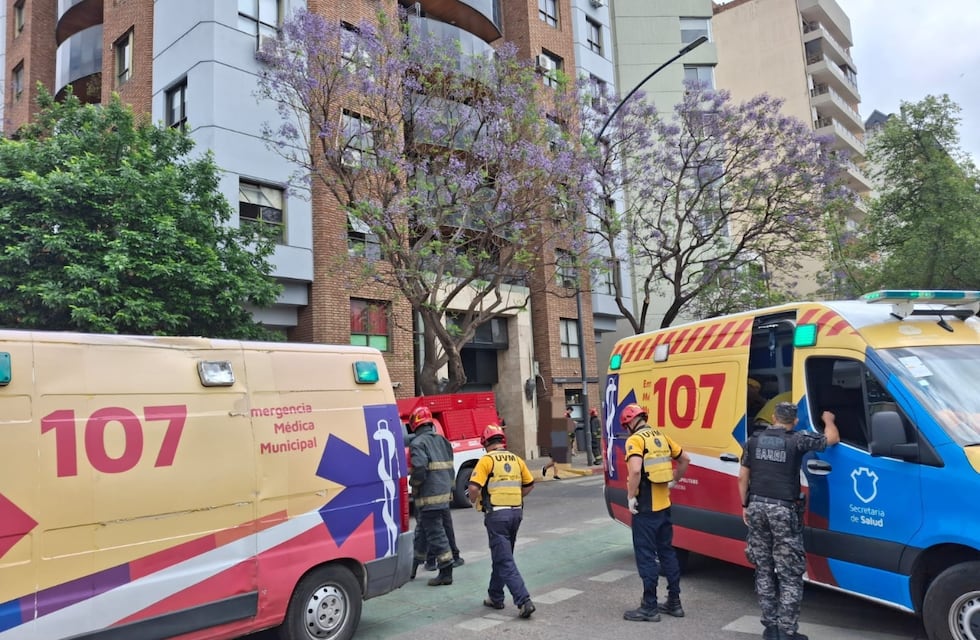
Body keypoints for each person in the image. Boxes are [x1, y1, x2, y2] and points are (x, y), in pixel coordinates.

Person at [739, 403, 841, 640]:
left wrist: (745, 505)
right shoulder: (797, 439)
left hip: (756, 506)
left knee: (763, 569)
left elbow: (743, 476)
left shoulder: (753, 440)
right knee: (789, 574)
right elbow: (832, 438)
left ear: (773, 417)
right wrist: (828, 419)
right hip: (783, 510)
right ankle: (787, 631)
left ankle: (770, 628)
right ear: (794, 421)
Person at [621, 403, 690, 622]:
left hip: (645, 507)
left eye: (626, 426)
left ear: (630, 422)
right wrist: (675, 480)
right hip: (664, 505)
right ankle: (674, 602)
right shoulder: (661, 436)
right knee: (667, 553)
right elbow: (685, 459)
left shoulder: (636, 440)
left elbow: (635, 470)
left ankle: (649, 607)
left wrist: (631, 496)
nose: (626, 430)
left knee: (646, 556)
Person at [467, 424, 537, 619]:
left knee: (504, 559)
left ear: (486, 443)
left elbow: (473, 488)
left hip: (497, 515)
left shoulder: (487, 460)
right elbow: (529, 484)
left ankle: (524, 601)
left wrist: (473, 500)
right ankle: (495, 596)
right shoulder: (516, 459)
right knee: (503, 555)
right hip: (516, 513)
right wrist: (515, 497)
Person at [407, 406, 456, 586]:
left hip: (429, 497)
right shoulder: (443, 441)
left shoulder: (417, 443)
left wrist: (414, 485)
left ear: (415, 424)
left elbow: (420, 468)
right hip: (444, 496)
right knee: (423, 532)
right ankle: (411, 568)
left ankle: (446, 571)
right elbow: (450, 468)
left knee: (436, 534)